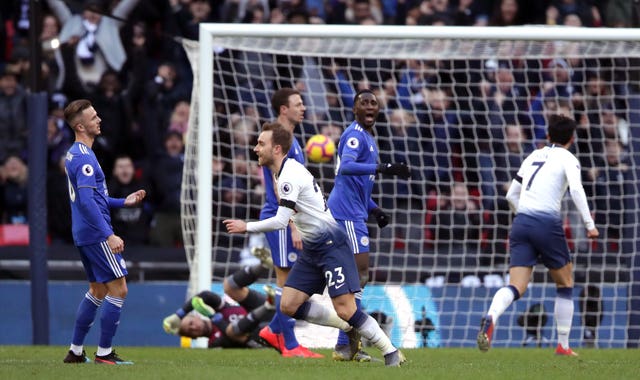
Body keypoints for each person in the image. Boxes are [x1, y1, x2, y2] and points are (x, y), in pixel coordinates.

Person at [224, 122, 406, 366]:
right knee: (289, 305)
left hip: (332, 245)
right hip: (313, 248)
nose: (256, 148)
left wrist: (246, 226)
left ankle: (391, 352)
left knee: (346, 308)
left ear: (276, 149)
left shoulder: (288, 176)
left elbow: (280, 221)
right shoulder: (283, 173)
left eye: (261, 144)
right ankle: (347, 328)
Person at [477, 114, 599, 357]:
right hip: (547, 222)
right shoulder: (569, 158)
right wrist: (589, 223)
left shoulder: (533, 154)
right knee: (565, 284)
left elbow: (511, 194)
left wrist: (523, 214)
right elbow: (576, 188)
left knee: (516, 286)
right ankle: (563, 345)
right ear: (572, 139)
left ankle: (491, 315)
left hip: (521, 222)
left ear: (548, 135)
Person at [327, 89, 410, 361]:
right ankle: (348, 343)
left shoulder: (368, 138)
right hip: (347, 218)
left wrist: (374, 209)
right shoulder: (354, 136)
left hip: (355, 214)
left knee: (356, 278)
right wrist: (383, 168)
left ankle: (347, 344)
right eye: (364, 103)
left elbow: (357, 186)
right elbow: (346, 168)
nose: (370, 106)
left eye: (374, 103)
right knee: (358, 277)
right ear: (355, 109)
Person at [62, 99, 146, 365]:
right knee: (119, 289)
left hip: (83, 233)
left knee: (98, 290)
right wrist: (108, 234)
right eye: (93, 117)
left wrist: (124, 202)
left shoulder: (75, 154)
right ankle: (105, 354)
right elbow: (86, 202)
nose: (99, 119)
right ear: (80, 126)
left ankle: (75, 351)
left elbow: (94, 197)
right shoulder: (85, 158)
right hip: (96, 233)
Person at [257, 88, 321, 358]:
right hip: (280, 219)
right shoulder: (277, 140)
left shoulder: (291, 139)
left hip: (289, 218)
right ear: (284, 109)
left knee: (297, 283)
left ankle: (273, 330)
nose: (303, 107)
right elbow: (277, 181)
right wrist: (293, 224)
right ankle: (291, 346)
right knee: (287, 282)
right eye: (297, 104)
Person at [162, 261, 276, 348]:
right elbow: (231, 340)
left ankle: (264, 265)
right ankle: (268, 306)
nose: (194, 328)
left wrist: (179, 315)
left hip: (267, 310)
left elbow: (206, 295)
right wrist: (214, 318)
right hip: (265, 332)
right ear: (194, 338)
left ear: (196, 316)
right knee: (233, 332)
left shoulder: (221, 309)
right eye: (189, 331)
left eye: (191, 323)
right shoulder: (213, 344)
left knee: (228, 286)